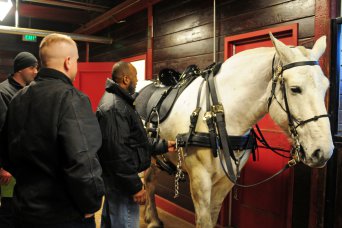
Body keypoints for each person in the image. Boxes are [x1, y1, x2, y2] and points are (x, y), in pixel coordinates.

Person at [0, 33, 104, 228]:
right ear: (68, 62)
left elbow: (6, 153)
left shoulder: (18, 99)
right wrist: (91, 203)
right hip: (63, 216)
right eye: (77, 61)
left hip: (23, 210)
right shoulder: (72, 99)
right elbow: (83, 162)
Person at [96, 61, 176, 228]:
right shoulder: (116, 107)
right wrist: (135, 187)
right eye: (135, 77)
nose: (138, 81)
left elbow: (135, 140)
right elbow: (118, 153)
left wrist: (163, 145)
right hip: (122, 185)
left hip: (116, 180)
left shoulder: (119, 101)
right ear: (126, 79)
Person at [0, 51, 38, 227]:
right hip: (10, 165)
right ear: (20, 70)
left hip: (26, 164)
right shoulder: (3, 92)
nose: (36, 71)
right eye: (32, 67)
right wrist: (3, 166)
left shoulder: (30, 91)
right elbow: (2, 132)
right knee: (9, 210)